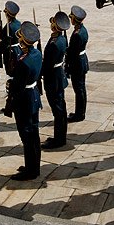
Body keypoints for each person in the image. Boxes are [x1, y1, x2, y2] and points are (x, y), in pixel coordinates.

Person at [10, 21, 43, 181]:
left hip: (25, 100)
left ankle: (31, 171)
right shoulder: (36, 54)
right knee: (34, 134)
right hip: (34, 96)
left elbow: (17, 86)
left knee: (27, 135)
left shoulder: (23, 62)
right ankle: (33, 165)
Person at [42, 11, 70, 149]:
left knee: (58, 110)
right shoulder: (62, 38)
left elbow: (47, 65)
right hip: (59, 75)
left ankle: (59, 139)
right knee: (61, 108)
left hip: (53, 78)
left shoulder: (54, 43)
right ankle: (60, 136)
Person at [66, 5, 89, 123]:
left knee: (78, 89)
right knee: (81, 89)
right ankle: (81, 111)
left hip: (77, 63)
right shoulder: (82, 29)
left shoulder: (77, 34)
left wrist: (67, 64)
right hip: (82, 60)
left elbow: (72, 52)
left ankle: (79, 114)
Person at [0, 1, 22, 76]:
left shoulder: (8, 27)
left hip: (10, 52)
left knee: (11, 71)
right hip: (18, 49)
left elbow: (3, 43)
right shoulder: (18, 23)